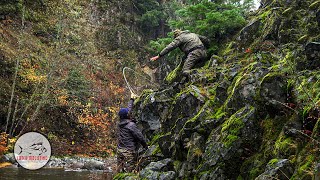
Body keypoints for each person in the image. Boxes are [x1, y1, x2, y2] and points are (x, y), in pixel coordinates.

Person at [117, 93, 147, 173]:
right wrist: (146, 147)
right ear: (127, 115)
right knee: (129, 173)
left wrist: (131, 100)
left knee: (120, 173)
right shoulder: (131, 125)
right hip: (128, 152)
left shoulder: (120, 123)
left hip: (119, 151)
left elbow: (127, 111)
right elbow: (140, 137)